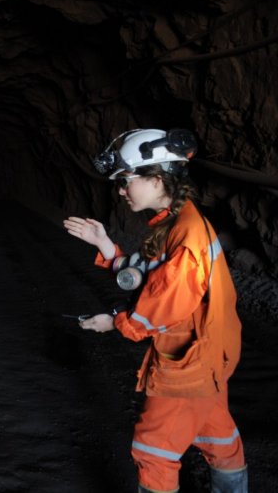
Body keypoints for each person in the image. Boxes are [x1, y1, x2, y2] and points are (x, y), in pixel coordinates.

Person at [63, 128, 247, 492]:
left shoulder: (185, 236)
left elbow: (159, 307)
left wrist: (116, 323)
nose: (120, 189)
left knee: (154, 452)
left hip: (187, 363)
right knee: (219, 441)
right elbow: (146, 274)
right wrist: (105, 244)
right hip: (210, 355)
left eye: (125, 180)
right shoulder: (178, 222)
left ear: (157, 178)